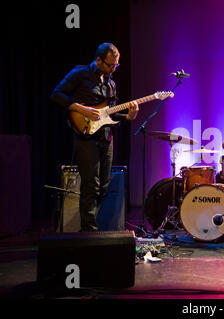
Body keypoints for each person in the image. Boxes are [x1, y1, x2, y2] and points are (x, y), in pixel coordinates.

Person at [51, 43, 139, 231]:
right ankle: (88, 232)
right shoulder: (80, 74)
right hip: (86, 136)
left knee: (104, 187)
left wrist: (129, 116)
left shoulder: (111, 83)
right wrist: (79, 107)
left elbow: (110, 115)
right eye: (110, 65)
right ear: (98, 60)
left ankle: (90, 226)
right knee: (90, 186)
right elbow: (56, 94)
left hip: (106, 138)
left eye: (116, 65)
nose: (113, 69)